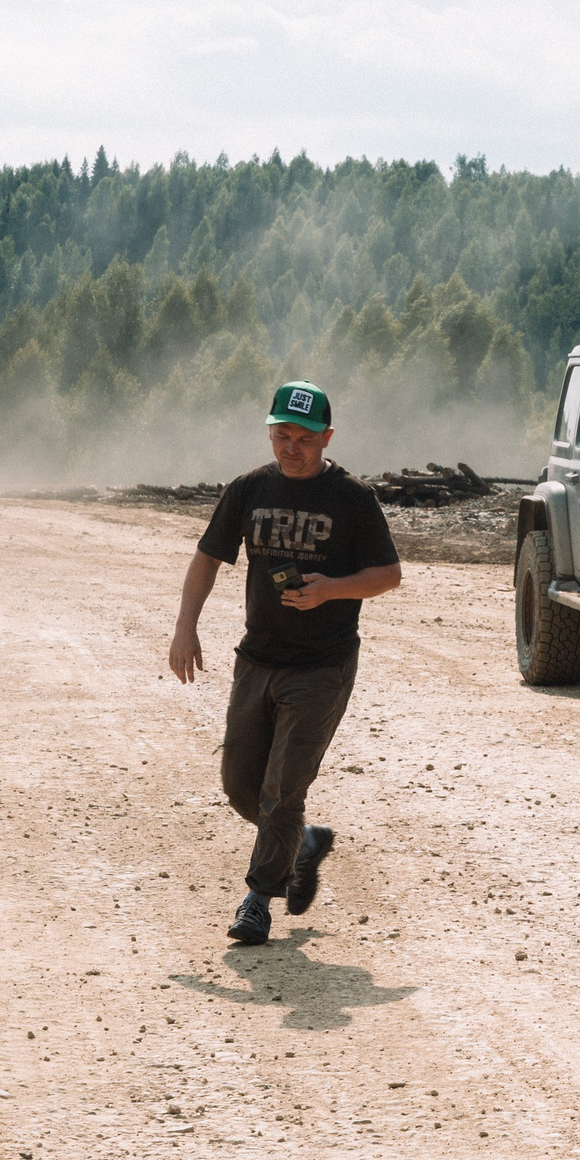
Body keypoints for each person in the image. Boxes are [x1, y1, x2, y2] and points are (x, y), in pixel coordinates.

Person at [168, 381, 402, 945]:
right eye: (281, 435)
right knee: (240, 788)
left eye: (302, 438)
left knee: (281, 791)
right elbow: (207, 558)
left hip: (322, 666)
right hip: (258, 658)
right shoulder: (249, 489)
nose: (290, 447)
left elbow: (388, 576)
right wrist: (185, 623)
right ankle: (305, 844)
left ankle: (257, 899)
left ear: (327, 437)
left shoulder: (353, 498)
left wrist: (332, 590)